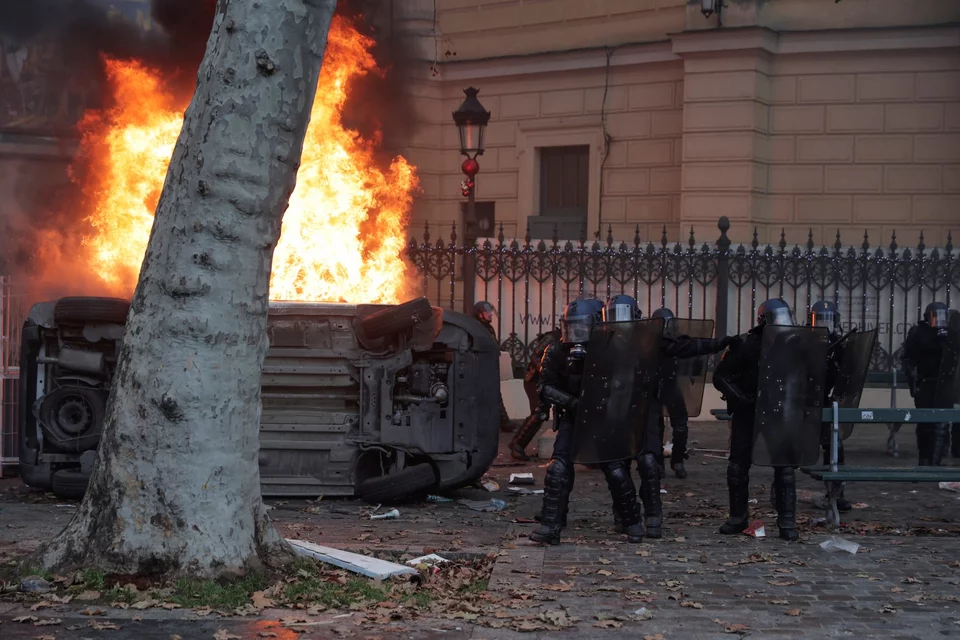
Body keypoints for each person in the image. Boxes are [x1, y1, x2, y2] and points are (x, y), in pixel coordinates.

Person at [607, 296, 734, 538]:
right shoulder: (603, 339)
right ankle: (624, 516)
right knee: (618, 466)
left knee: (649, 462)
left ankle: (654, 515)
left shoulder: (650, 337)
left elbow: (684, 347)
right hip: (618, 408)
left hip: (647, 402)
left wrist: (717, 344)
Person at [529, 297, 646, 545]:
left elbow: (629, 384)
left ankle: (631, 522)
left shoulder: (612, 349)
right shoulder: (556, 351)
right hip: (573, 417)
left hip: (603, 419)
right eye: (571, 326)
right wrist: (573, 403)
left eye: (581, 327)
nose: (575, 333)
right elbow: (545, 388)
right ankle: (551, 525)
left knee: (616, 471)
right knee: (558, 468)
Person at [712, 298, 803, 541]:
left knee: (784, 467)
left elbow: (806, 377)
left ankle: (787, 522)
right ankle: (737, 517)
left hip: (778, 412)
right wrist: (741, 399)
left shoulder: (794, 345)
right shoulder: (745, 344)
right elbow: (721, 376)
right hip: (748, 411)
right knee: (737, 465)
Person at [809, 300, 853, 512]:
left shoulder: (838, 343)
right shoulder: (804, 341)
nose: (824, 324)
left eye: (828, 319)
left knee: (834, 446)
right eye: (820, 319)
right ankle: (781, 490)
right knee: (790, 451)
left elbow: (848, 372)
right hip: (804, 401)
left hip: (826, 400)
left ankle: (837, 493)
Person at [900, 302, 956, 466]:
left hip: (945, 384)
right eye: (934, 316)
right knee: (924, 422)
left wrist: (947, 339)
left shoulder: (951, 335)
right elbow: (907, 357)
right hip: (925, 382)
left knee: (941, 422)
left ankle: (935, 460)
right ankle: (924, 459)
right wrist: (912, 376)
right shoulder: (918, 332)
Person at [651, 307, 695, 479]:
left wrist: (692, 368)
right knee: (655, 428)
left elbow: (688, 357)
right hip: (654, 389)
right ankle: (658, 463)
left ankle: (677, 460)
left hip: (671, 387)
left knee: (681, 427)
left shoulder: (677, 342)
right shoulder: (649, 342)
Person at [509, 328, 562, 461]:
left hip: (544, 381)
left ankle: (517, 443)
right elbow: (535, 356)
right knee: (539, 412)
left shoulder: (564, 339)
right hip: (535, 380)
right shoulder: (552, 337)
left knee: (540, 413)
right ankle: (517, 445)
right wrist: (544, 370)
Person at [473, 301, 514, 434]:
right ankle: (503, 423)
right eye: (487, 312)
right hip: (481, 368)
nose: (491, 314)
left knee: (495, 395)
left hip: (489, 367)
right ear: (479, 314)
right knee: (491, 396)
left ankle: (502, 422)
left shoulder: (487, 327)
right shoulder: (477, 327)